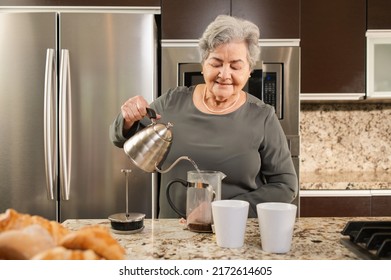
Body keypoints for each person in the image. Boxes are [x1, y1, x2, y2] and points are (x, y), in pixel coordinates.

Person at [109, 15, 298, 218]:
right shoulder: (172, 102)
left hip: (234, 233)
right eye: (216, 63)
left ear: (249, 70)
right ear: (203, 64)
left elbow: (285, 186)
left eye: (235, 66)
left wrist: (224, 211)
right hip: (174, 236)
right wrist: (127, 118)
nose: (224, 74)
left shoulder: (262, 117)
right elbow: (120, 138)